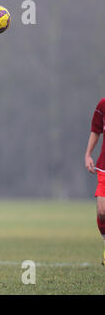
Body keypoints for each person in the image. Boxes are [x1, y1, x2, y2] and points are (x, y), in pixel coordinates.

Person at [84, 97, 105, 266]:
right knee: (101, 213)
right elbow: (96, 131)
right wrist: (88, 154)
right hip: (104, 167)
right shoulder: (102, 105)